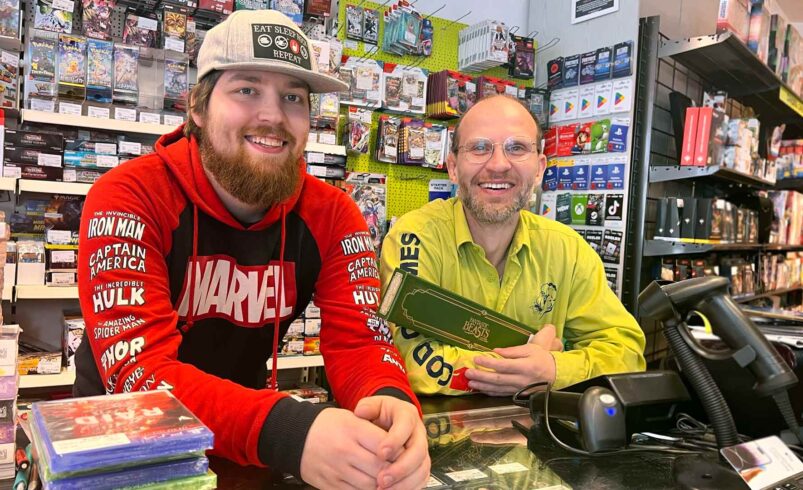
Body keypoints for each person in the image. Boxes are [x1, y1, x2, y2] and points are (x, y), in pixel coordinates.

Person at [74, 10, 429, 489]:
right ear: (198, 107)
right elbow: (141, 373)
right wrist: (290, 432)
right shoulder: (129, 195)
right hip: (121, 450)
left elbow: (360, 341)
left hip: (243, 454)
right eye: (246, 89)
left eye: (293, 97)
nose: (273, 116)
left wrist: (390, 401)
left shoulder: (334, 213)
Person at [380, 94, 646, 396]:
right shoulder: (416, 237)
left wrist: (553, 369)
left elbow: (626, 353)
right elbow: (407, 361)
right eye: (479, 148)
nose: (498, 165)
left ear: (539, 168)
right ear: (453, 167)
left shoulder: (568, 250)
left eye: (516, 148)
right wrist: (527, 365)